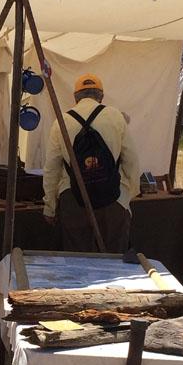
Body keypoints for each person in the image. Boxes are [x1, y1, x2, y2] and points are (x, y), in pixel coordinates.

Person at [42, 73, 140, 253]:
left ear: (75, 98)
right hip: (112, 198)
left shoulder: (61, 121)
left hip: (73, 199)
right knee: (114, 261)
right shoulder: (115, 116)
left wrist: (50, 207)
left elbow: (51, 169)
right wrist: (127, 197)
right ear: (101, 96)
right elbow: (131, 161)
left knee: (77, 262)